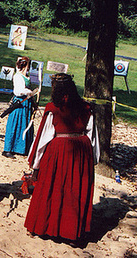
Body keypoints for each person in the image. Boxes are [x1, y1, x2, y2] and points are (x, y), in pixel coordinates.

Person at [24, 73, 99, 242]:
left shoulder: (53, 108)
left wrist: (36, 164)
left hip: (59, 151)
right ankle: (71, 232)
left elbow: (44, 138)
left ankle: (43, 227)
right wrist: (92, 159)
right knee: (74, 189)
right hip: (82, 151)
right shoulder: (86, 108)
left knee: (50, 188)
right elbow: (91, 134)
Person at [2, 56, 36, 158]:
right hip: (20, 103)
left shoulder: (26, 76)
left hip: (27, 103)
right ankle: (8, 149)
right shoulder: (17, 76)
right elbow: (18, 91)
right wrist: (29, 92)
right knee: (15, 124)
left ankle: (22, 149)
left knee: (25, 124)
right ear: (26, 66)